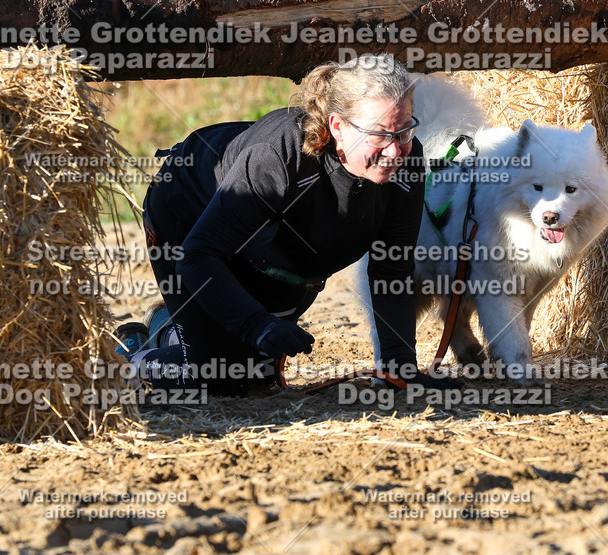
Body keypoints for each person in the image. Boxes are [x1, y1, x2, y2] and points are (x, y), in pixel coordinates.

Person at [122, 55, 455, 396]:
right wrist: (256, 324)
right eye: (379, 135)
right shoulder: (279, 159)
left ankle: (173, 327)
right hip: (188, 218)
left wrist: (399, 369)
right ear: (338, 127)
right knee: (217, 378)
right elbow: (197, 255)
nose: (394, 151)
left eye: (404, 131)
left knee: (256, 374)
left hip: (273, 251)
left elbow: (392, 267)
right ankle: (128, 356)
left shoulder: (408, 160)